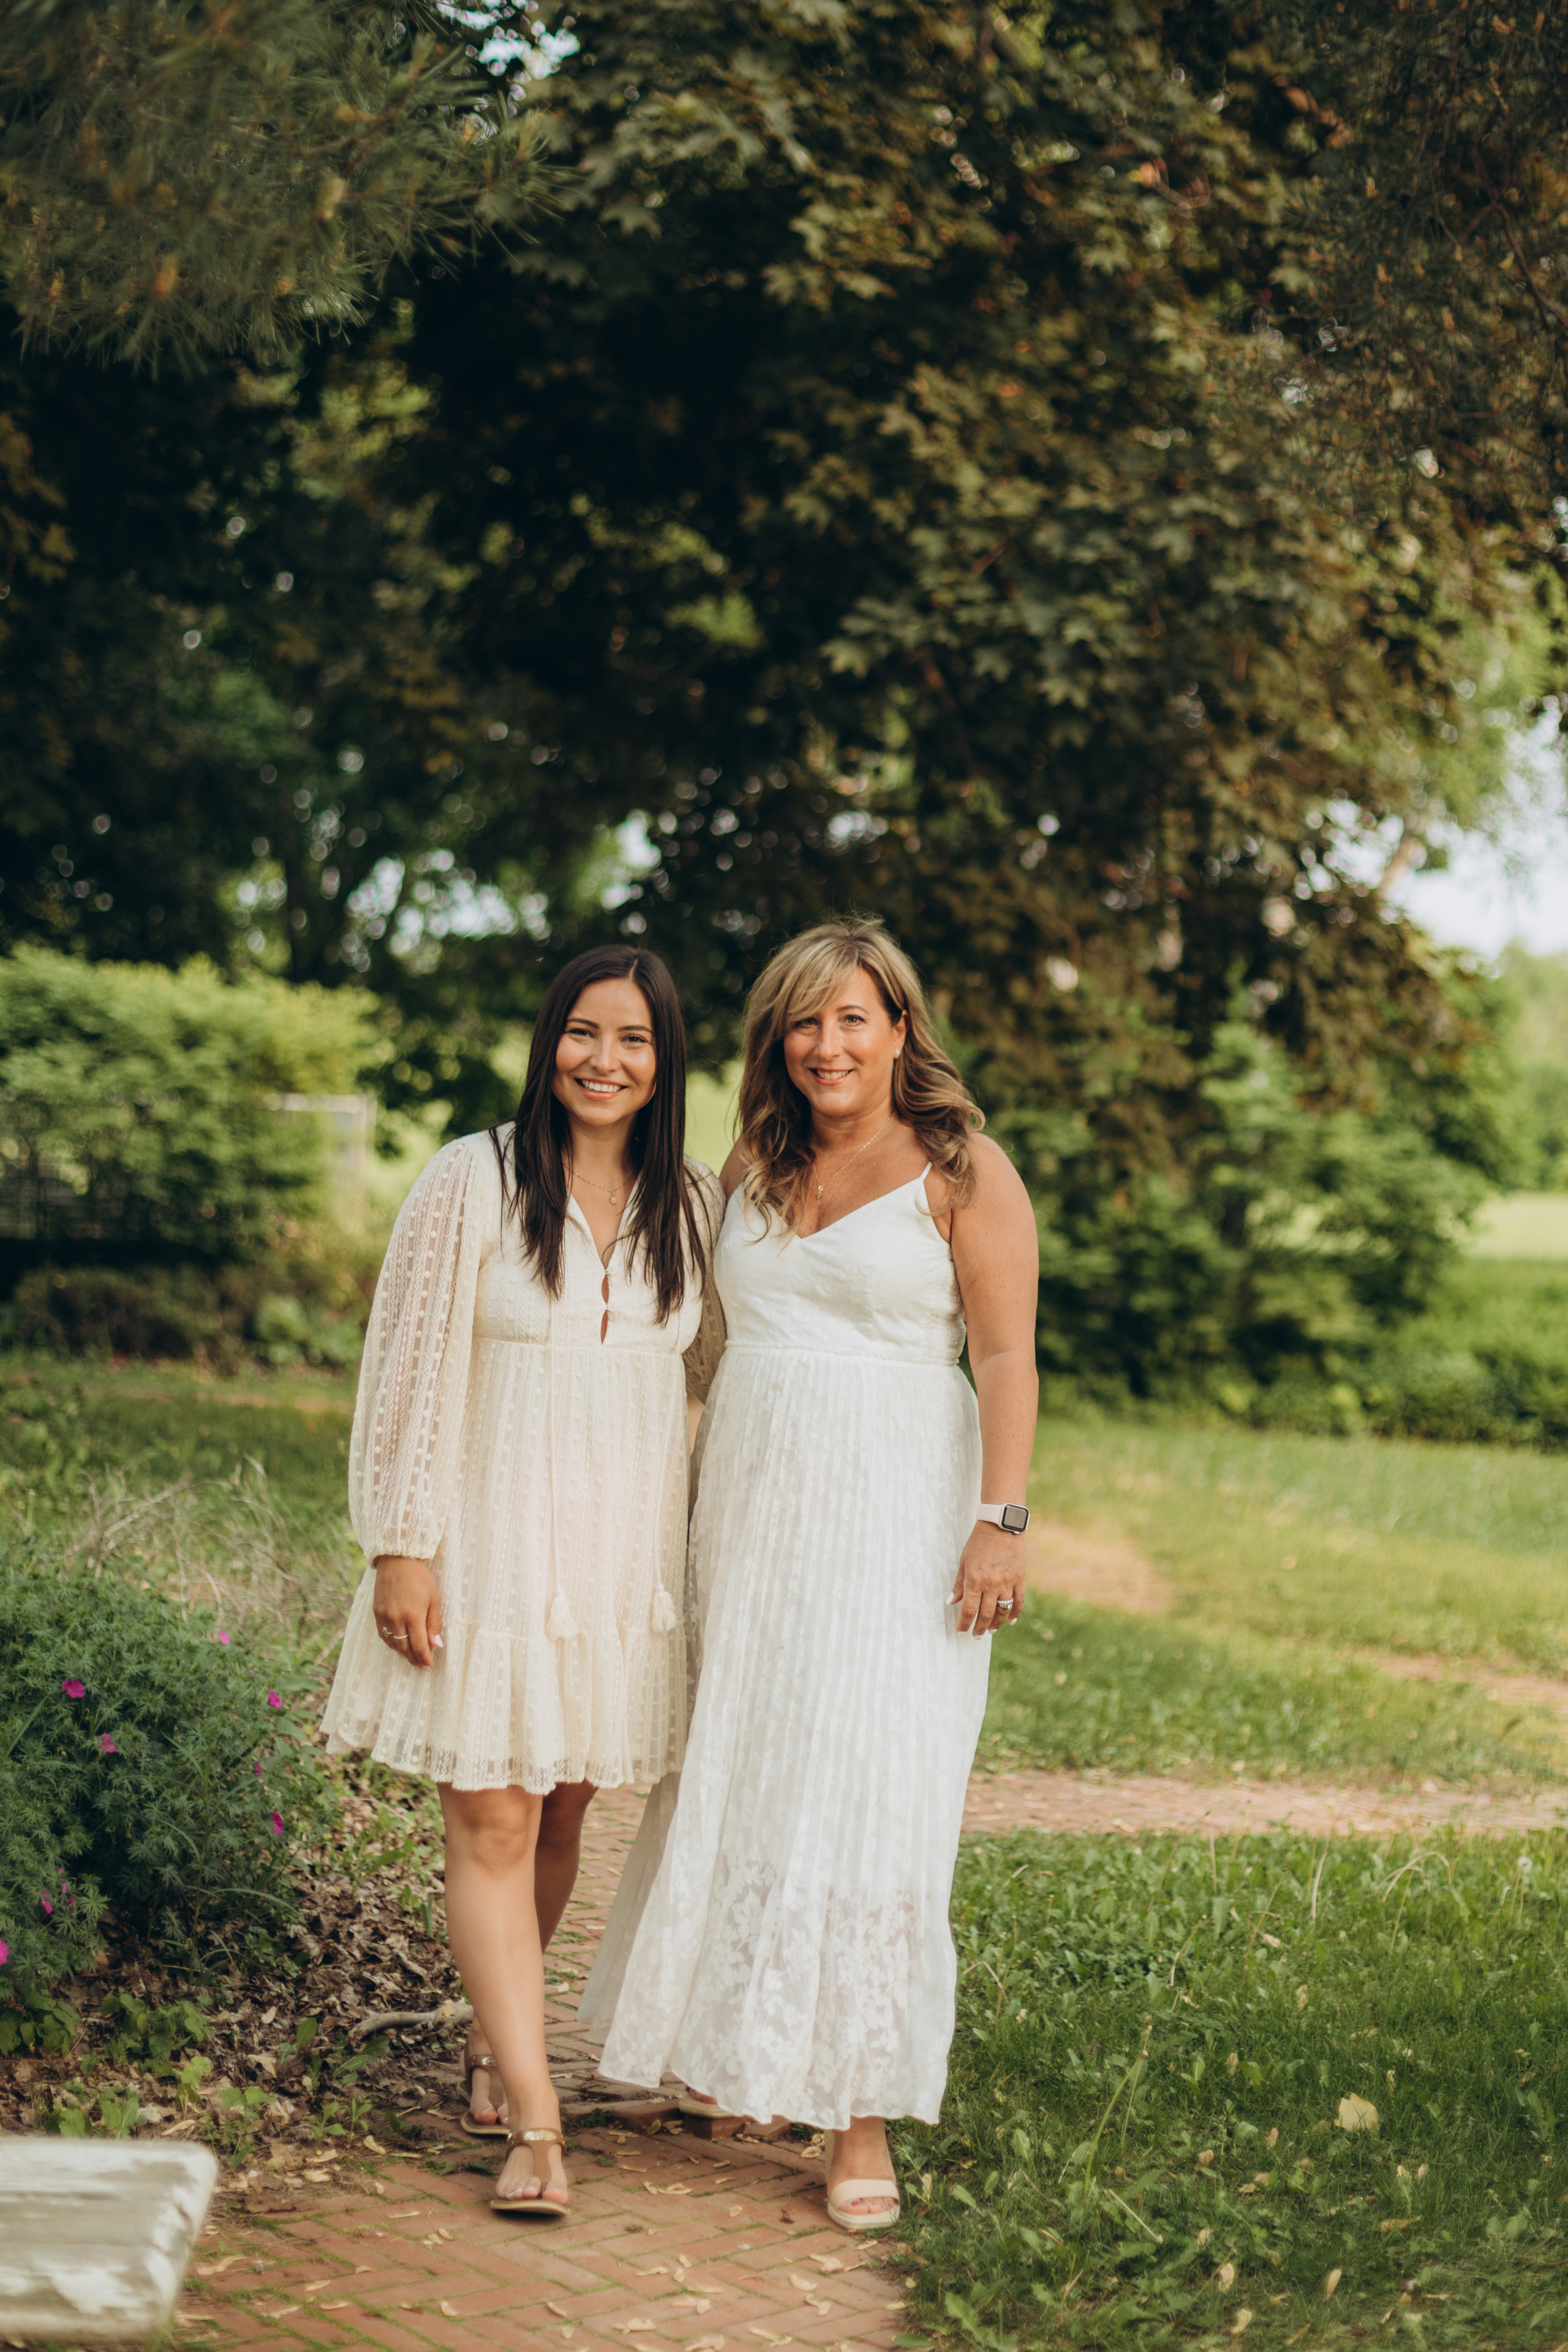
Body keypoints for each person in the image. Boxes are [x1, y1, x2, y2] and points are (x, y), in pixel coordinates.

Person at [582, 918, 1039, 2231]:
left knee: (872, 1785)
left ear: (900, 1027)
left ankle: (856, 2118)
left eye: (852, 1018)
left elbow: (1003, 1359)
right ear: (775, 1041)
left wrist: (999, 1518)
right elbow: (697, 1341)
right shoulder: (756, 1159)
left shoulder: (961, 1168)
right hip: (752, 1504)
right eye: (803, 1021)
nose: (827, 1044)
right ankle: (734, 2057)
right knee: (744, 1760)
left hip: (897, 1504)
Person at [322, 945, 723, 2221]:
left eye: (634, 1042)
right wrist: (401, 1540)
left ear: (666, 1065)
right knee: (490, 1820)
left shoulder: (696, 1208)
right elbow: (405, 1363)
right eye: (583, 1033)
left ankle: (499, 2045)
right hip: (486, 1550)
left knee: (561, 1813)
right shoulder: (470, 1180)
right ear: (548, 1039)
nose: (603, 1061)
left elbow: (708, 1378)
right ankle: (538, 2127)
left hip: (613, 1569)